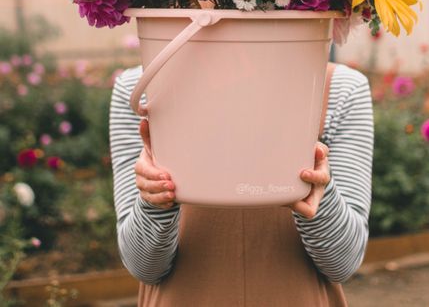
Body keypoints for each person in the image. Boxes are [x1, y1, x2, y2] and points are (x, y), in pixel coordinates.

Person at [110, 61, 374, 306]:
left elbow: (343, 263)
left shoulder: (339, 89)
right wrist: (155, 201)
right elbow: (144, 267)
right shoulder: (141, 91)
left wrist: (319, 193)